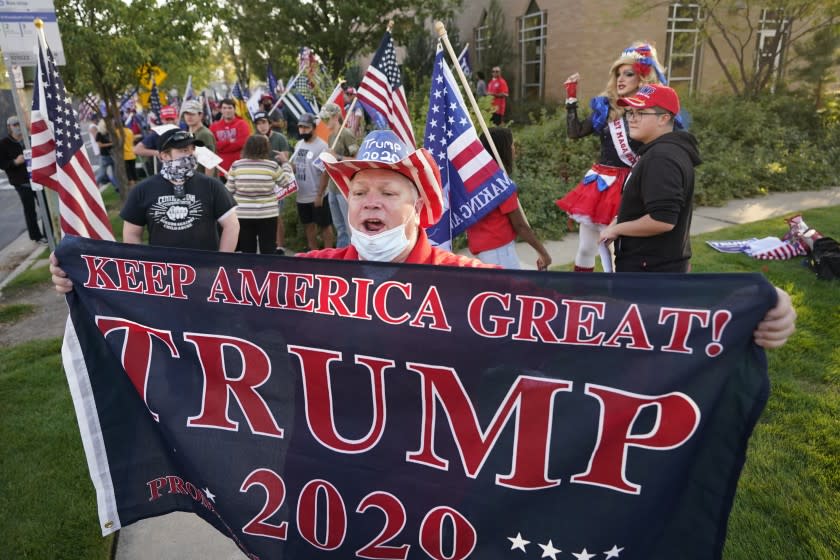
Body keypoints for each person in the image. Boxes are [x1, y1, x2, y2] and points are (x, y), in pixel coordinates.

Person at [50, 128, 798, 350]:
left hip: (433, 477)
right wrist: (95, 278)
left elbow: (584, 322)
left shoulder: (463, 274)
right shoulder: (311, 270)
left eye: (387, 191)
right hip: (328, 467)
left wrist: (741, 318)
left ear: (416, 205)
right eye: (359, 192)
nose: (370, 201)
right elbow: (215, 297)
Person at [556, 42, 669, 272]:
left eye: (628, 73)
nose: (621, 78)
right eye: (618, 73)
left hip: (630, 186)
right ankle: (580, 296)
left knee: (621, 255)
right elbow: (574, 132)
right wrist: (571, 98)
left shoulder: (654, 111)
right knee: (587, 248)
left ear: (643, 77)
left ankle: (616, 301)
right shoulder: (606, 107)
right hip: (599, 185)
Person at [599, 84, 700, 273]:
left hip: (650, 271)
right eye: (630, 112)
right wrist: (620, 219)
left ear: (664, 118)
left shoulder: (661, 158)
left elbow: (662, 220)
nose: (632, 119)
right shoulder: (659, 151)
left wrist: (617, 229)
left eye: (641, 113)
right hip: (653, 265)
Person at [118, 128, 239, 251]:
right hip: (163, 268)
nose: (191, 154)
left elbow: (231, 225)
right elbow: (131, 233)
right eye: (184, 150)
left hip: (205, 267)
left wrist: (221, 262)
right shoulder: (142, 190)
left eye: (192, 149)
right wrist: (143, 264)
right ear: (164, 156)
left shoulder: (212, 186)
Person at [466, 127, 551, 270]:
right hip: (500, 252)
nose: (514, 149)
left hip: (481, 251)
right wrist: (544, 253)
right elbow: (520, 226)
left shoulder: (472, 180)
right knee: (513, 290)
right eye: (512, 145)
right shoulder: (501, 184)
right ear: (502, 149)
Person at [226, 134, 295, 254]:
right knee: (268, 248)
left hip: (243, 214)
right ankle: (267, 270)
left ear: (247, 148)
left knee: (247, 249)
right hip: (267, 214)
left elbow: (229, 190)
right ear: (265, 148)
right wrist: (285, 164)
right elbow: (286, 182)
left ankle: (249, 271)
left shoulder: (237, 165)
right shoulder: (272, 166)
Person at [316, 102, 358, 248]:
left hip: (344, 187)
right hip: (332, 187)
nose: (324, 122)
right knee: (339, 227)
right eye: (323, 118)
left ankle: (353, 255)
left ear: (335, 117)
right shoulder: (330, 137)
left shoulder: (346, 134)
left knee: (349, 227)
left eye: (327, 118)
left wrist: (338, 157)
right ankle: (342, 255)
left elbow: (358, 159)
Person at [0, 116, 45, 243]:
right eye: (15, 125)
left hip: (36, 178)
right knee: (30, 209)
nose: (18, 127)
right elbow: (2, 164)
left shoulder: (29, 139)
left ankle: (49, 233)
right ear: (9, 127)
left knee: (44, 206)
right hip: (21, 182)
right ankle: (36, 236)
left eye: (19, 124)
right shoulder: (3, 144)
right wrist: (15, 162)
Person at [292, 113, 334, 250]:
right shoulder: (298, 145)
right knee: (308, 226)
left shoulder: (322, 146)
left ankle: (328, 256)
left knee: (325, 226)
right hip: (302, 195)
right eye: (300, 127)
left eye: (306, 127)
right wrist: (286, 165)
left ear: (314, 128)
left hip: (317, 194)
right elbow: (296, 167)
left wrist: (320, 194)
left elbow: (325, 172)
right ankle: (313, 254)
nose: (302, 130)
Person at [210, 98, 251, 177]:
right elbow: (213, 145)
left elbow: (242, 143)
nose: (227, 111)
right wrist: (229, 142)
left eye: (230, 108)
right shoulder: (214, 126)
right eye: (224, 108)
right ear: (221, 110)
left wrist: (221, 146)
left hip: (239, 168)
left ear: (234, 109)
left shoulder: (242, 124)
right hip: (221, 169)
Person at [181, 99, 216, 176]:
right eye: (187, 113)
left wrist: (207, 184)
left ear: (200, 115)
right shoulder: (188, 133)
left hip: (203, 181)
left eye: (192, 114)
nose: (189, 117)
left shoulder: (204, 134)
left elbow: (210, 163)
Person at [94, 119, 117, 189]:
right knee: (102, 174)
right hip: (104, 156)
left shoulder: (110, 133)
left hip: (113, 155)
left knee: (115, 174)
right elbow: (100, 145)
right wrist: (111, 144)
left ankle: (117, 188)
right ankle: (94, 187)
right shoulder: (99, 134)